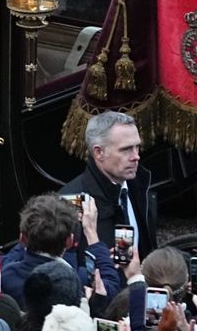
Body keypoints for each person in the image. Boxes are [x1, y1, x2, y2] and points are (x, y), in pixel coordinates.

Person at [61, 109, 154, 258]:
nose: (136, 156)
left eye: (137, 147)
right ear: (99, 152)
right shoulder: (70, 202)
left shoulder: (139, 186)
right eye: (126, 149)